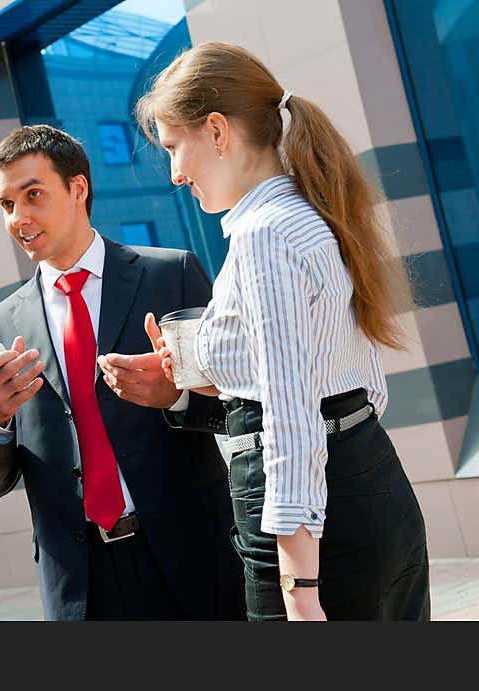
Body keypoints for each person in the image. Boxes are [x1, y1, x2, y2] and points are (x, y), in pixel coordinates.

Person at [136, 42, 430, 621]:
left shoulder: (264, 235)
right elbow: (351, 378)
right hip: (365, 485)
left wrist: (300, 591)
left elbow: (292, 415)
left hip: (312, 525)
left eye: (174, 147)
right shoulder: (312, 209)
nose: (174, 173)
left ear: (217, 132)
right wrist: (214, 377)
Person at [0, 124, 245, 621]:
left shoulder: (171, 275)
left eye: (33, 195)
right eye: (6, 205)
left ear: (78, 188)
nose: (19, 218)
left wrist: (176, 396)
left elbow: (237, 407)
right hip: (81, 582)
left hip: (194, 554)